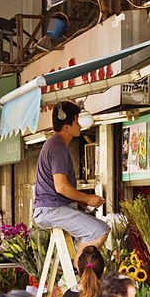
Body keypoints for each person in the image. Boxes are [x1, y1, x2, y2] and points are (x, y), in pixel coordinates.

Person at [32, 101, 109, 262]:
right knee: (99, 230)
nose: (79, 126)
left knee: (93, 230)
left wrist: (79, 202)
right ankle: (80, 274)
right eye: (76, 121)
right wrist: (87, 199)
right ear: (66, 127)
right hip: (51, 210)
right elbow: (61, 187)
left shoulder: (54, 145)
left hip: (50, 209)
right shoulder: (58, 148)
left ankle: (75, 272)